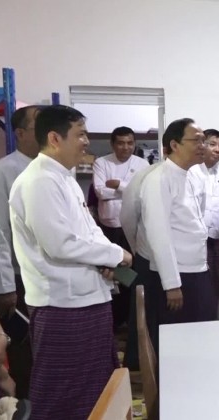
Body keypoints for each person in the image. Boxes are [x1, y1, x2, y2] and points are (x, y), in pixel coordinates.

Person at [9, 105, 133, 419]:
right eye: (80, 134)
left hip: (87, 298)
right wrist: (116, 255)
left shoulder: (63, 177)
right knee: (62, 390)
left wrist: (111, 254)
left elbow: (90, 230)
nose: (86, 142)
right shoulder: (39, 180)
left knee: (95, 386)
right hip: (62, 304)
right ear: (54, 138)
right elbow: (59, 243)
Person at [120, 118, 212, 369]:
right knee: (171, 340)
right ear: (174, 144)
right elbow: (158, 234)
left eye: (204, 140)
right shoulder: (158, 178)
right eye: (197, 140)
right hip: (173, 275)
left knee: (197, 331)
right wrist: (171, 284)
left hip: (196, 267)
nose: (203, 145)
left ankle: (196, 375)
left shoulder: (194, 175)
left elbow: (196, 222)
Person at [0, 105, 39, 398]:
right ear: (20, 133)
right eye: (39, 126)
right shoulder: (4, 171)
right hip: (19, 277)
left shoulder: (57, 169)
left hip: (48, 277)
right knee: (25, 350)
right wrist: (5, 286)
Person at [92, 126, 150, 329]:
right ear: (112, 144)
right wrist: (127, 189)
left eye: (130, 143)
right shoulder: (102, 162)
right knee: (112, 272)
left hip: (133, 228)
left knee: (131, 274)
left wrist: (119, 185)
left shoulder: (142, 164)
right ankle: (114, 321)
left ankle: (131, 319)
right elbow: (100, 192)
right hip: (109, 228)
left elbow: (142, 193)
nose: (126, 147)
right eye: (121, 143)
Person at [198, 129, 219, 303]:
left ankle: (211, 317)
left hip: (214, 239)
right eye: (212, 144)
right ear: (202, 145)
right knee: (196, 285)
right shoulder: (191, 171)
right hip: (194, 240)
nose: (217, 149)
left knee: (212, 284)